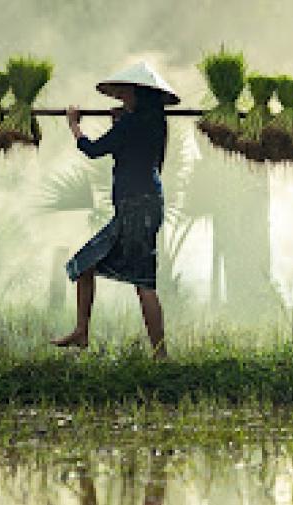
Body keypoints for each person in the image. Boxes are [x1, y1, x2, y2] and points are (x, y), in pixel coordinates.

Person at [52, 62, 179, 360]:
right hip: (145, 204)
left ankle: (160, 355)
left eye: (125, 93)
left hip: (135, 207)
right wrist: (120, 123)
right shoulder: (155, 124)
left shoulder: (130, 124)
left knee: (142, 282)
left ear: (139, 94)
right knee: (91, 267)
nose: (122, 97)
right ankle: (82, 332)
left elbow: (93, 150)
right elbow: (136, 151)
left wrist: (74, 125)